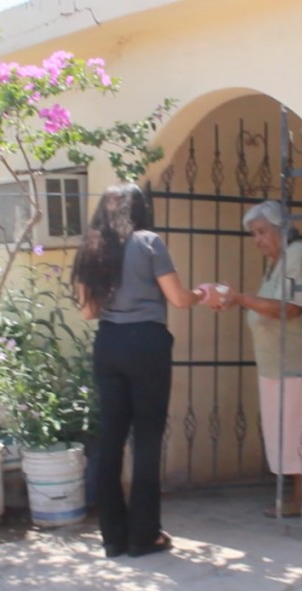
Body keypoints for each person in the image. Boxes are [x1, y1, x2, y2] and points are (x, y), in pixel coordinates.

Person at [72, 182, 222, 558]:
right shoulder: (148, 242)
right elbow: (177, 298)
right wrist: (203, 293)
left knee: (111, 440)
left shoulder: (91, 248)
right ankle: (144, 535)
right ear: (140, 209)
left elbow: (87, 312)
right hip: (146, 344)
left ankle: (113, 537)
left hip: (108, 344)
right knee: (147, 439)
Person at [221, 200, 302, 517]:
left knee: (301, 432)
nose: (257, 240)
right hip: (281, 365)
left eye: (262, 232)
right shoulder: (280, 261)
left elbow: (291, 308)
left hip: (300, 363)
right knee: (292, 431)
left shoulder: (298, 256)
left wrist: (240, 298)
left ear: (281, 229)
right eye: (254, 234)